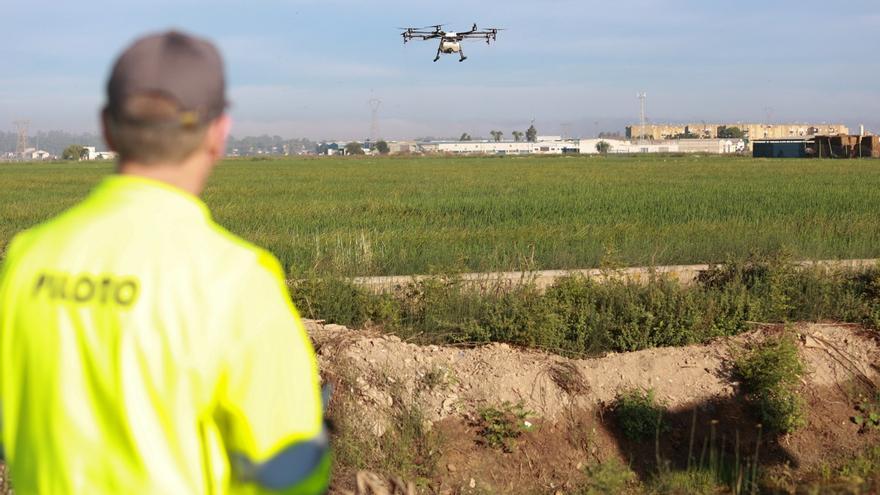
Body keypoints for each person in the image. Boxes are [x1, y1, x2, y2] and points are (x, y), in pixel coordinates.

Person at [0, 31, 330, 494]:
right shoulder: (237, 281)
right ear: (218, 133)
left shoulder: (28, 258)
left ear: (107, 127)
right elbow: (286, 471)